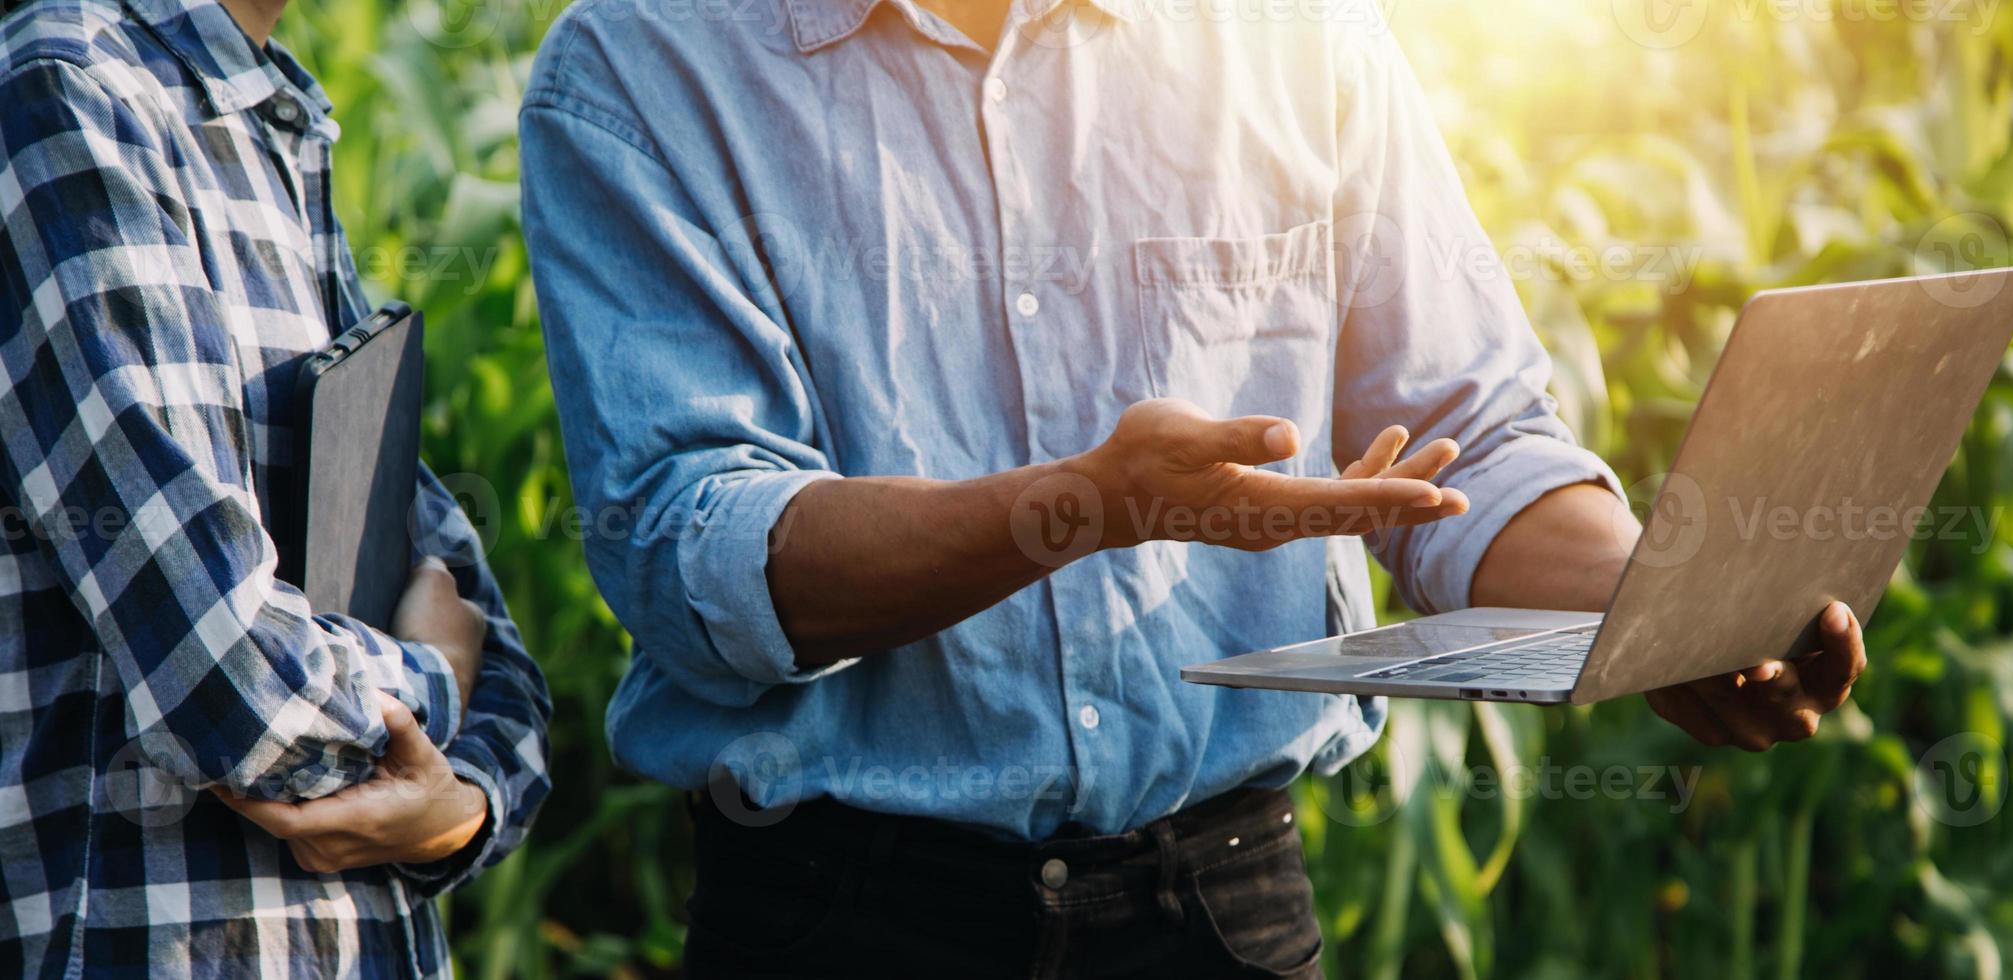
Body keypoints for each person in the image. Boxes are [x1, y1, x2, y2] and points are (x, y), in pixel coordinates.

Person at [520, 0, 1865, 975]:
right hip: (839, 919)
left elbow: (1475, 439)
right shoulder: (643, 64)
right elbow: (695, 560)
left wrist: (1660, 613)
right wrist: (1087, 508)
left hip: (1222, 908)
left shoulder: (1303, 37)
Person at [0, 0, 552, 973]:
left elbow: (489, 644)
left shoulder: (271, 122)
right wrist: (432, 675)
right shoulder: (71, 84)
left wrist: (452, 814)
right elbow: (229, 678)